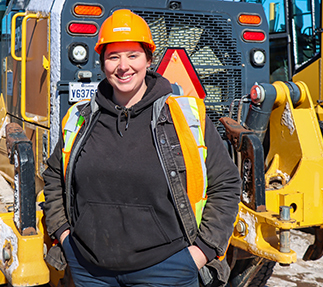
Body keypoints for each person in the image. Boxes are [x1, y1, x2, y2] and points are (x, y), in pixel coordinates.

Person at [43, 9, 241, 287]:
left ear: (149, 59)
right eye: (113, 56)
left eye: (133, 55)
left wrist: (202, 251)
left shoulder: (186, 116)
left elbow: (227, 184)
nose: (123, 66)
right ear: (102, 63)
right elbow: (53, 176)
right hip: (90, 270)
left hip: (167, 269)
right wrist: (64, 236)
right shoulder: (80, 117)